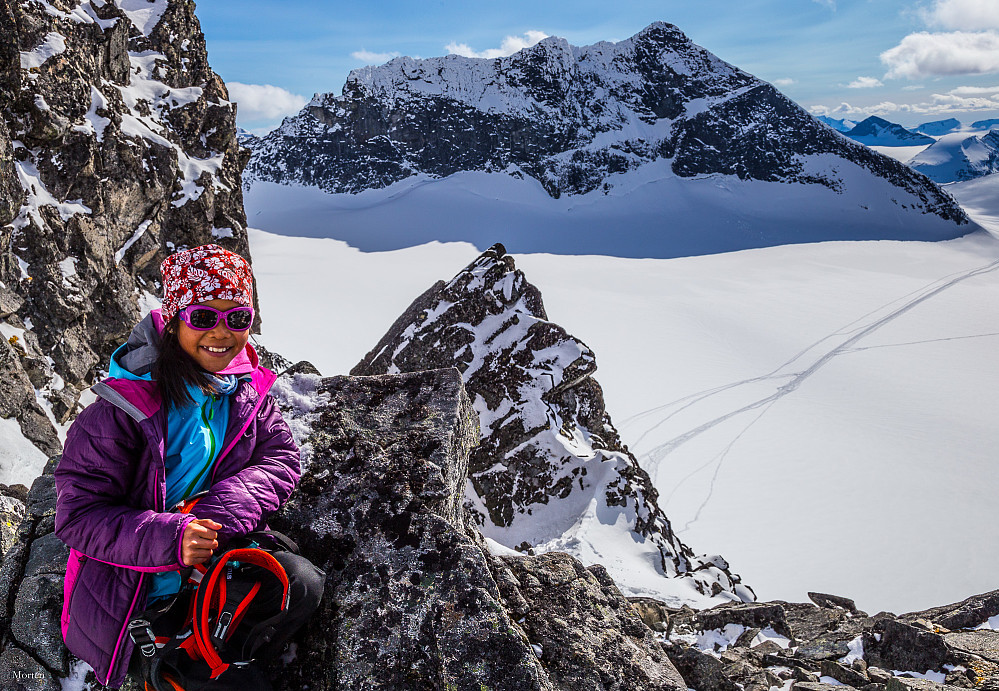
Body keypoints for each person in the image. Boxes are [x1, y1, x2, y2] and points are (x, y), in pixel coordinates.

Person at [55, 245, 323, 689]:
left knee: (301, 586)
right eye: (202, 317)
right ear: (174, 319)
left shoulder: (244, 389)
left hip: (206, 555)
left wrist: (213, 513)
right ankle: (178, 668)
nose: (221, 333)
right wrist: (170, 537)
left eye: (237, 317)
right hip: (133, 589)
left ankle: (207, 661)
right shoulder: (121, 411)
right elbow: (78, 516)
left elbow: (280, 458)